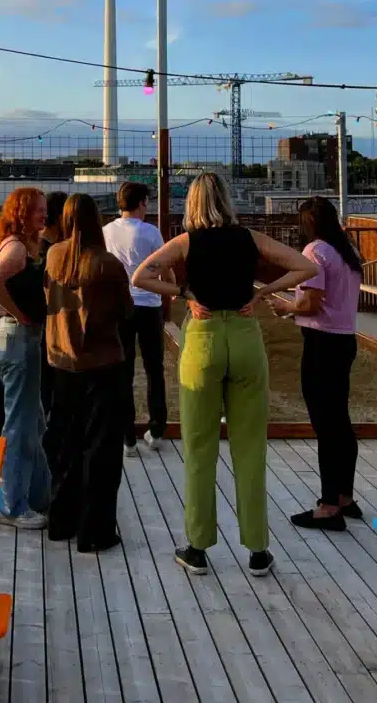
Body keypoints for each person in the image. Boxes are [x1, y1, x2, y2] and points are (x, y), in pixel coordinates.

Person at [132, 172, 317, 578]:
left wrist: (184, 294)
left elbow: (140, 276)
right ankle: (257, 549)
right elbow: (305, 267)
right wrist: (262, 292)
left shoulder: (186, 243)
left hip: (203, 338)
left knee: (200, 447)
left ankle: (198, 547)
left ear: (194, 203)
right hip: (247, 338)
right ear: (227, 200)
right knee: (250, 448)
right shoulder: (250, 239)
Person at [45, 194, 132, 552]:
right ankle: (94, 531)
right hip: (101, 363)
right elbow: (126, 312)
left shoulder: (54, 256)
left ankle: (61, 520)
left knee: (66, 443)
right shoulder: (107, 264)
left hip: (61, 361)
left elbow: (53, 304)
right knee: (101, 449)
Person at [269, 197, 363, 531]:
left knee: (325, 424)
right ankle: (344, 496)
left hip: (322, 343)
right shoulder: (347, 252)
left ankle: (327, 507)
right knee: (340, 420)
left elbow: (310, 302)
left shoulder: (315, 253)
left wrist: (285, 307)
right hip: (344, 339)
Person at [0, 187, 52, 530]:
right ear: (22, 213)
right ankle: (12, 506)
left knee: (33, 422)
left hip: (12, 338)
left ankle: (41, 496)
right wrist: (16, 314)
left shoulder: (8, 244)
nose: (44, 215)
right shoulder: (19, 249)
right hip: (19, 339)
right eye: (37, 210)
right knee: (20, 426)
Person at [103, 182, 169, 457]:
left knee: (123, 370)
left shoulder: (106, 231)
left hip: (120, 306)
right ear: (141, 202)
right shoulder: (151, 232)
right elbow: (164, 265)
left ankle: (126, 435)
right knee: (155, 368)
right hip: (149, 303)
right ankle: (156, 429)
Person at [38, 191, 68, 419]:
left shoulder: (44, 245)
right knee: (49, 387)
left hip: (50, 324)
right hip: (47, 325)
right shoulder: (48, 250)